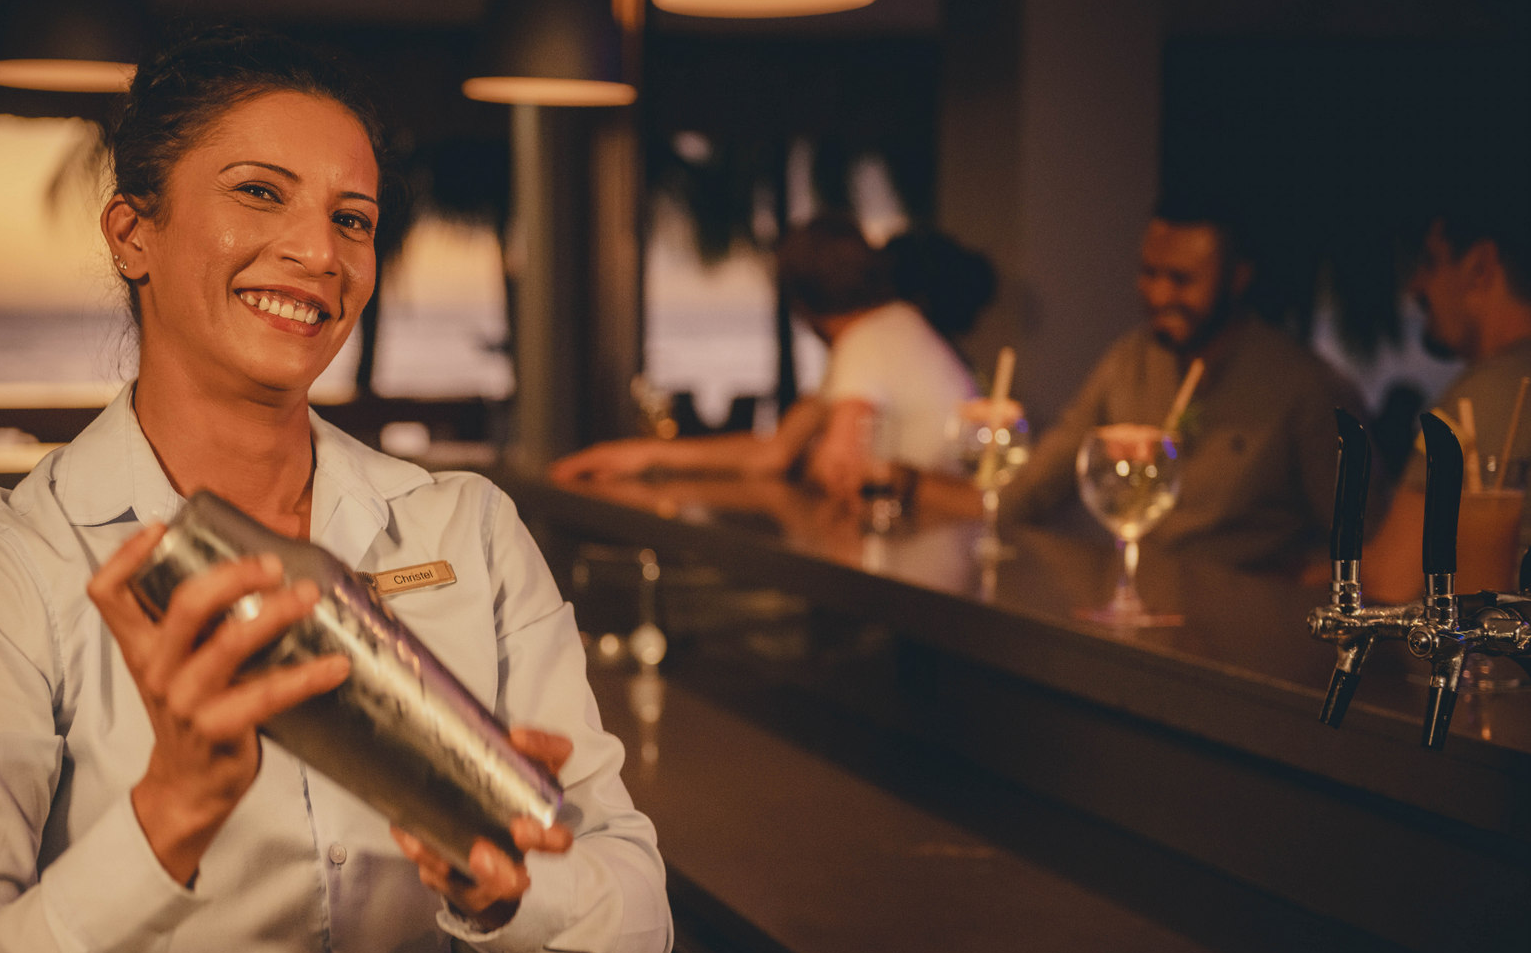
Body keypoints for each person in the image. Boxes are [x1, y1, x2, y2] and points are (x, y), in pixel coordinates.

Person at [0, 26, 671, 953]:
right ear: (132, 233)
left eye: (353, 218)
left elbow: (637, 926)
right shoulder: (6, 567)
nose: (317, 251)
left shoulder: (459, 532)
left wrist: (499, 876)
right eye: (259, 193)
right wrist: (168, 819)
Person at [1000, 198, 1364, 571]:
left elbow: (1363, 542)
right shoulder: (1129, 361)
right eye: (1149, 273)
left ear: (1237, 278)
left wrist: (1289, 582)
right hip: (1136, 589)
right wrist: (972, 497)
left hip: (1239, 602)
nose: (1159, 296)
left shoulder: (1304, 386)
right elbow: (1038, 483)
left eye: (1181, 280)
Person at [550, 214, 991, 499]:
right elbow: (776, 450)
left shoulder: (866, 343)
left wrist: (645, 455)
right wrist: (643, 455)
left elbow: (836, 467)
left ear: (800, 303)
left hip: (930, 557)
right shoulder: (889, 327)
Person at [1360, 205, 1531, 601]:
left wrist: (1307, 573)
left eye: (1430, 262)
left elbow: (1390, 580)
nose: (1414, 286)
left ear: (1480, 267)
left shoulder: (1478, 398)